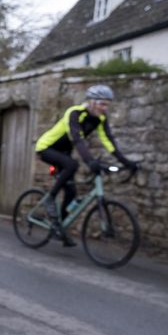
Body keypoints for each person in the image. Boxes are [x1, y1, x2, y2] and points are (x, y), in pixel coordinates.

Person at [34, 84, 139, 246]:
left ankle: (58, 228)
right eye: (102, 104)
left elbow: (109, 142)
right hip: (47, 147)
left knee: (71, 192)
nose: (105, 108)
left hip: (64, 153)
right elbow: (77, 139)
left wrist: (127, 163)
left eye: (107, 105)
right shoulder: (75, 113)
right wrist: (90, 161)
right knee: (72, 165)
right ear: (92, 102)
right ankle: (50, 198)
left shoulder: (100, 119)